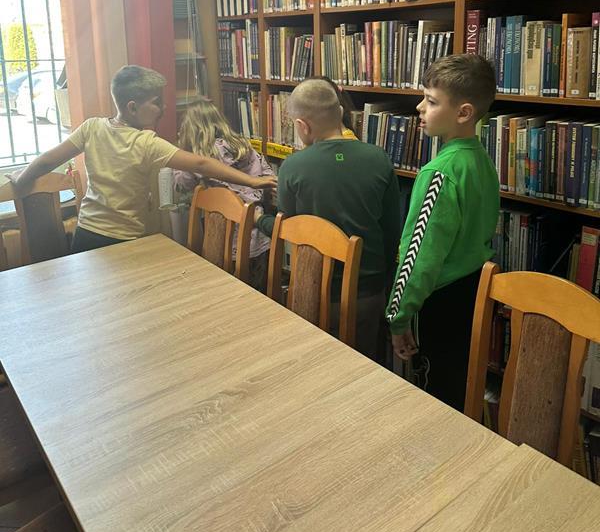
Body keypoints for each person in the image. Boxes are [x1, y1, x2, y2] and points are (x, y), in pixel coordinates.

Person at [10, 66, 276, 253]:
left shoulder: (91, 127)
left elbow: (47, 161)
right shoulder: (146, 142)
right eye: (156, 102)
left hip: (86, 233)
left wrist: (22, 179)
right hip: (124, 240)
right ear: (132, 107)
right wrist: (252, 181)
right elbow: (201, 164)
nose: (164, 108)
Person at [256, 78, 402, 360]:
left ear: (303, 126)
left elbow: (289, 229)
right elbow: (391, 230)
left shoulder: (293, 166)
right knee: (365, 364)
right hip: (367, 291)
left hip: (316, 288)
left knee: (318, 364)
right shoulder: (379, 158)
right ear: (340, 113)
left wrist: (259, 220)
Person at [386, 54, 499, 410]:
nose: (420, 108)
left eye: (431, 101)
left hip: (439, 299)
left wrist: (398, 317)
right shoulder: (480, 160)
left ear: (463, 113)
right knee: (457, 384)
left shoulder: (439, 174)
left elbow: (418, 256)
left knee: (432, 392)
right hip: (474, 290)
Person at [173, 98, 274, 292]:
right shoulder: (244, 146)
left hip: (223, 237)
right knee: (255, 289)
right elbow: (268, 175)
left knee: (225, 289)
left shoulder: (199, 156)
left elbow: (182, 183)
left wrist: (182, 151)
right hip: (257, 233)